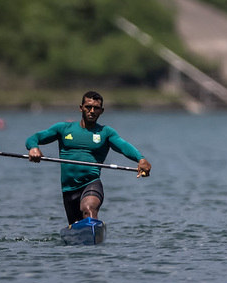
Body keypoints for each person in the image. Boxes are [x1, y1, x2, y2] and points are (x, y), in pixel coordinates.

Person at [26, 90, 151, 224]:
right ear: (81, 108)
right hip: (68, 190)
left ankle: (93, 229)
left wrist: (141, 159)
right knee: (74, 225)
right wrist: (34, 148)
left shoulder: (106, 133)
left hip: (91, 184)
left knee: (88, 208)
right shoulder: (63, 129)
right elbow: (34, 138)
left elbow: (123, 146)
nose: (92, 111)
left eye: (96, 108)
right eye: (88, 107)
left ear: (101, 111)